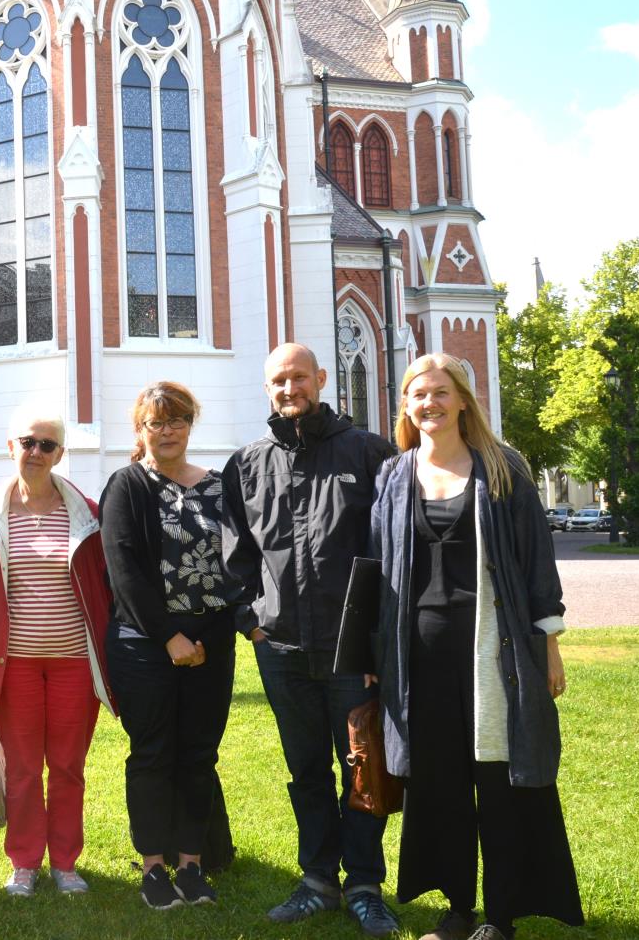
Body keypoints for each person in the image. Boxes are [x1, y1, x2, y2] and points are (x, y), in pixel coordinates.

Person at [370, 354, 583, 940]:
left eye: (440, 392)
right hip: (418, 656)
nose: (429, 404)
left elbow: (537, 563)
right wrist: (370, 658)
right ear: (407, 406)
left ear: (463, 398)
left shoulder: (502, 467)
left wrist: (550, 648)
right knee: (436, 783)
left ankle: (502, 914)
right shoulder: (394, 475)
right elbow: (377, 568)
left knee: (500, 779)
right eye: (418, 395)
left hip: (495, 652)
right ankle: (458, 908)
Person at [219, 343, 400, 936]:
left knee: (363, 768)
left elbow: (395, 553)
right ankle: (318, 880)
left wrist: (376, 644)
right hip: (284, 651)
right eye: (278, 380)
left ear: (321, 379)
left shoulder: (370, 453)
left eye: (299, 377)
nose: (289, 387)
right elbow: (232, 556)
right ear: (267, 389)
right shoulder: (246, 465)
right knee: (307, 772)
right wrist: (252, 625)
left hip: (355, 656)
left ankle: (366, 885)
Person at [99, 381, 242, 910]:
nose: (167, 431)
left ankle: (192, 864)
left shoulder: (219, 485)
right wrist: (171, 637)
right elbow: (125, 573)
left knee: (199, 754)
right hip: (145, 645)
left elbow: (235, 563)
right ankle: (154, 867)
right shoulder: (127, 486)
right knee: (154, 753)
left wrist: (208, 635)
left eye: (176, 420)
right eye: (155, 422)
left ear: (190, 424)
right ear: (140, 429)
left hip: (211, 643)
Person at [0, 405, 113, 898]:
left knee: (68, 766)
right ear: (12, 447)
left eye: (46, 445)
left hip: (73, 663)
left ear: (60, 454)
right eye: (27, 442)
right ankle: (25, 862)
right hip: (16, 666)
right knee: (24, 769)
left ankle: (66, 863)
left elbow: (102, 589)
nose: (35, 452)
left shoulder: (89, 515)